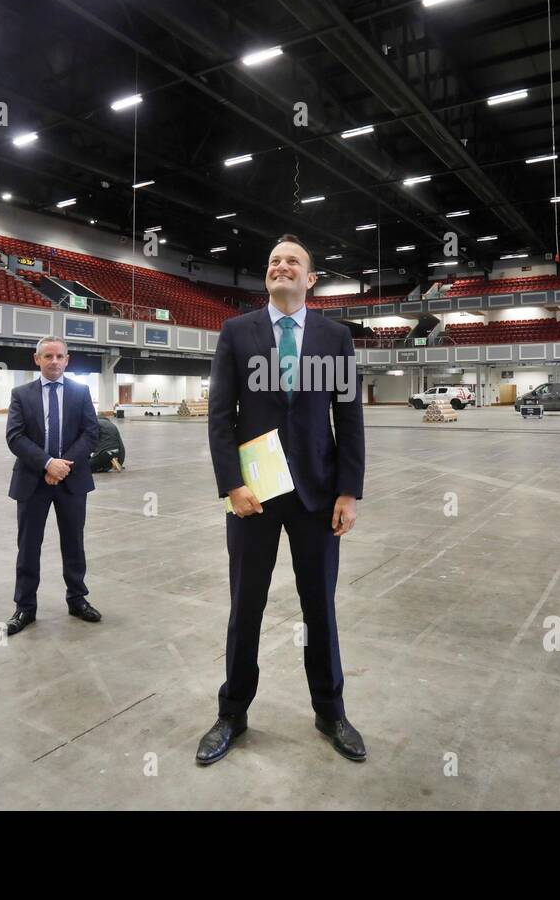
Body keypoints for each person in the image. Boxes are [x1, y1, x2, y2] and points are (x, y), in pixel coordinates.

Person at [198, 234, 366, 765]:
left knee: (321, 607)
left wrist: (348, 490)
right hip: (255, 496)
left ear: (310, 278)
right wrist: (232, 484)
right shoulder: (236, 332)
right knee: (245, 606)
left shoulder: (334, 336)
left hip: (317, 496)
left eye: (292, 260)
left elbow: (349, 419)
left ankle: (331, 710)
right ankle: (232, 712)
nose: (281, 265)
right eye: (273, 260)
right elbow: (220, 416)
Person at [2, 336, 101, 636]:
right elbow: (15, 436)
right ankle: (25, 607)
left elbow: (91, 433)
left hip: (71, 481)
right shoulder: (21, 394)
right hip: (33, 481)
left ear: (67, 360)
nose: (54, 361)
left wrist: (62, 466)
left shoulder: (81, 392)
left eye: (59, 356)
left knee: (74, 543)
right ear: (37, 359)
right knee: (29, 546)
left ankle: (77, 599)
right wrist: (47, 464)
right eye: (48, 356)